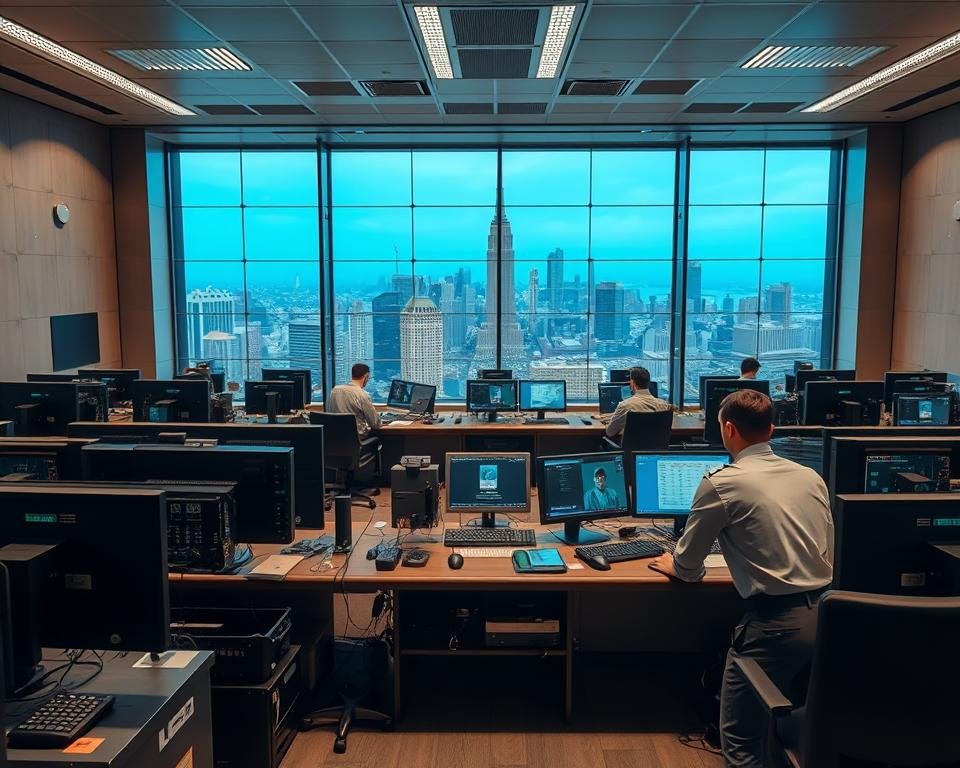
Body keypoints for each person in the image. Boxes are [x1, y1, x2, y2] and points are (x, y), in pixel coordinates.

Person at [648, 389, 832, 768]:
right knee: (790, 727)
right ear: (772, 430)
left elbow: (687, 568)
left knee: (741, 742)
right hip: (830, 617)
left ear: (728, 429)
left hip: (776, 625)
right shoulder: (810, 476)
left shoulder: (723, 483)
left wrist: (673, 563)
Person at [604, 366, 669, 440]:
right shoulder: (664, 405)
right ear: (648, 382)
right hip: (657, 446)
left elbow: (610, 432)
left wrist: (608, 423)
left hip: (629, 446)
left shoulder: (625, 405)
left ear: (632, 383)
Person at [326, 363, 382, 437]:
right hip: (358, 439)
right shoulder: (362, 394)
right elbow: (375, 424)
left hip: (335, 437)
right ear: (366, 376)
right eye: (369, 378)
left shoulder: (334, 390)